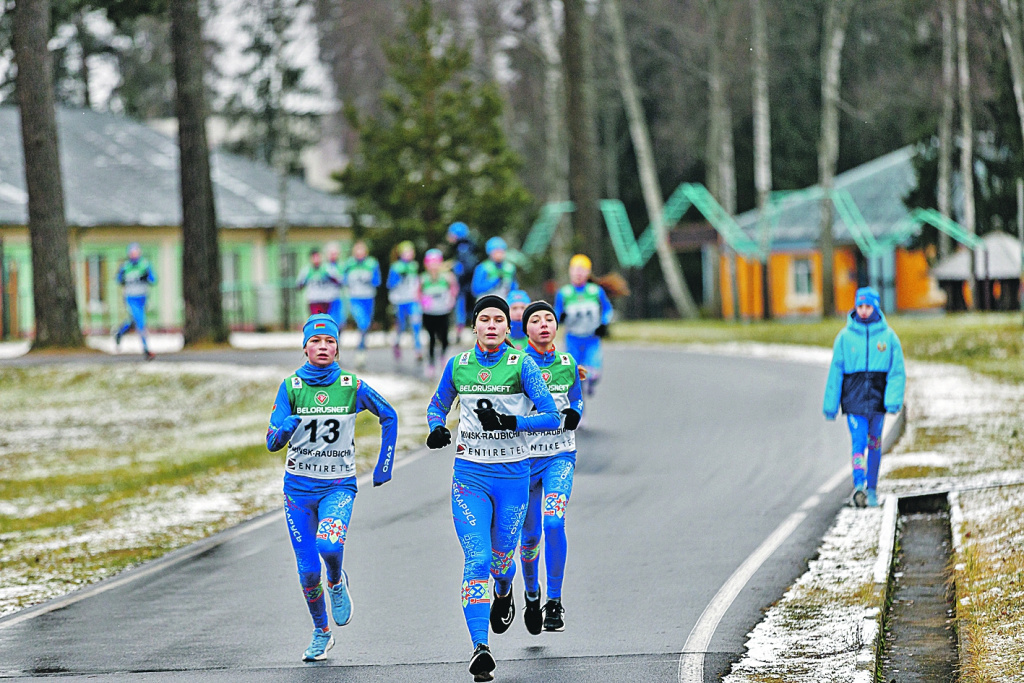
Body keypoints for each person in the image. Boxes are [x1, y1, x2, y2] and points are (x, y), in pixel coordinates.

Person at [425, 295, 560, 682]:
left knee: (502, 564)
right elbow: (437, 405)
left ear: (507, 328)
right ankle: (480, 647)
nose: (491, 325)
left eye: (498, 320)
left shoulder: (523, 365)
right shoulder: (458, 365)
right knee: (477, 560)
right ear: (474, 327)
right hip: (470, 476)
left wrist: (511, 423)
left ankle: (505, 591)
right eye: (484, 319)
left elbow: (552, 417)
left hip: (513, 478)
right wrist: (437, 427)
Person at [265, 314, 398, 662]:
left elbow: (389, 415)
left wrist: (383, 466)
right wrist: (285, 429)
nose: (322, 347)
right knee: (308, 571)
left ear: (338, 348)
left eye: (329, 342)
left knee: (330, 544)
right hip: (297, 490)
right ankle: (321, 632)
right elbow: (271, 441)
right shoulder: (291, 387)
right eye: (315, 342)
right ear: (305, 347)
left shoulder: (351, 385)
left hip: (338, 485)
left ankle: (337, 581)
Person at [517, 300, 583, 635]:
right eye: (536, 320)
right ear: (525, 328)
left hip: (560, 455)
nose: (544, 325)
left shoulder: (568, 362)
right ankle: (531, 594)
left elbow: (577, 399)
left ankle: (554, 601)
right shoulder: (516, 364)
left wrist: (576, 414)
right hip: (524, 460)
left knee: (554, 522)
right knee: (529, 537)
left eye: (550, 319)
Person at [823, 287, 906, 508]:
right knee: (858, 442)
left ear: (876, 307)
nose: (863, 311)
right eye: (860, 306)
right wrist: (831, 404)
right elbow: (836, 370)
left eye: (868, 306)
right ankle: (859, 485)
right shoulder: (845, 338)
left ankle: (872, 489)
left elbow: (896, 371)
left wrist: (893, 400)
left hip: (877, 403)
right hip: (855, 403)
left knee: (875, 444)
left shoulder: (888, 338)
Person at [554, 254, 614, 397]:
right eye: (575, 269)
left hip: (591, 338)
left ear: (588, 272)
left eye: (582, 270)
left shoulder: (595, 291)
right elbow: (556, 312)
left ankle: (591, 383)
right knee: (575, 373)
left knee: (592, 372)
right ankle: (578, 403)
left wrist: (604, 324)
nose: (578, 273)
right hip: (572, 338)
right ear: (570, 271)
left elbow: (607, 309)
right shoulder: (564, 293)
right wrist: (559, 319)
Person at [419, 248, 459, 378]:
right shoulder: (423, 278)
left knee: (444, 337)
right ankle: (431, 364)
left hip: (443, 312)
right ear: (426, 264)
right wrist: (423, 302)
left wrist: (451, 300)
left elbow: (454, 289)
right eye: (431, 262)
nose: (434, 266)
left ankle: (443, 356)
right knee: (431, 339)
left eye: (436, 262)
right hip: (429, 313)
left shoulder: (447, 277)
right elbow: (417, 292)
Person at [114, 242, 157, 361]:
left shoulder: (145, 265)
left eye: (136, 252)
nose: (134, 255)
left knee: (134, 321)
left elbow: (154, 279)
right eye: (132, 253)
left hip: (142, 298)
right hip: (130, 298)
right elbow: (118, 280)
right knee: (141, 322)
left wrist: (147, 276)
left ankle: (120, 333)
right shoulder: (125, 266)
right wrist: (121, 277)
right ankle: (146, 350)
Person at [342, 241, 381, 367]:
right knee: (362, 323)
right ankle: (360, 351)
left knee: (366, 326)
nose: (359, 253)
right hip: (355, 299)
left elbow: (377, 281)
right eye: (357, 250)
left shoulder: (372, 263)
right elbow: (343, 280)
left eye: (362, 250)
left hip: (368, 298)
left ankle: (361, 349)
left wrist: (370, 278)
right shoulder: (349, 264)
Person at [386, 241, 423, 362]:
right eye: (406, 252)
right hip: (400, 300)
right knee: (401, 325)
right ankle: (396, 343)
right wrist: (399, 276)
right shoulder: (395, 266)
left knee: (416, 324)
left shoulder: (414, 265)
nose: (409, 254)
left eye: (411, 251)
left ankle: (418, 350)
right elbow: (390, 284)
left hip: (412, 300)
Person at [447, 222, 479, 339]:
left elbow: (468, 267)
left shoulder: (463, 248)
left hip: (465, 285)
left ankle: (460, 331)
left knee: (462, 307)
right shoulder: (466, 247)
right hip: (467, 284)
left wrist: (458, 272)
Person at [296, 249, 343, 317]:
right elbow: (299, 285)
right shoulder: (307, 271)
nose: (316, 259)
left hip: (326, 299)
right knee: (317, 319)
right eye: (314, 257)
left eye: (318, 257)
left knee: (327, 319)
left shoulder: (327, 269)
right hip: (313, 300)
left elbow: (339, 281)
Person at [325, 242, 347, 327]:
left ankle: (337, 339)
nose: (333, 255)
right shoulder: (324, 267)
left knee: (340, 322)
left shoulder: (341, 266)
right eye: (331, 253)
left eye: (335, 253)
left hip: (338, 297)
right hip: (326, 299)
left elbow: (343, 280)